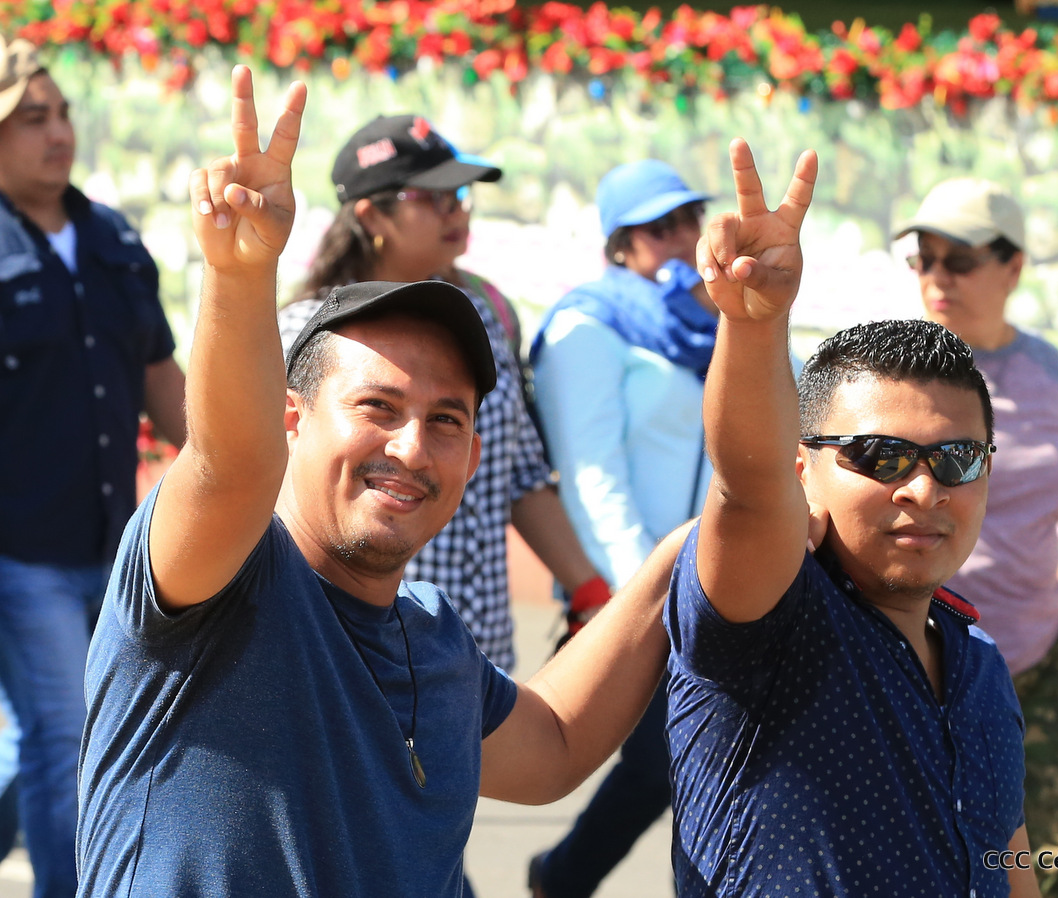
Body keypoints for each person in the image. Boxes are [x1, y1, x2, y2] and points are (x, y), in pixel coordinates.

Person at [76, 66, 682, 896]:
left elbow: (556, 746)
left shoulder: (432, 637)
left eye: (446, 420)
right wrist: (241, 273)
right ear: (291, 418)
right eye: (378, 406)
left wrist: (682, 557)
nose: (412, 447)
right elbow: (229, 466)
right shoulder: (222, 579)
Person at [665, 139, 1040, 897]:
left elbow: (1009, 858)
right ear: (802, 471)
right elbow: (746, 486)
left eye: (958, 458)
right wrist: (756, 323)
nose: (924, 490)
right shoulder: (769, 620)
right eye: (881, 457)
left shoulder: (979, 662)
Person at [893, 177, 1058, 898]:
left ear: (1013, 267)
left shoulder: (1045, 367)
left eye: (959, 260)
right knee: (954, 864)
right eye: (923, 259)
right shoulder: (903, 375)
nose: (937, 277)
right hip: (931, 667)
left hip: (1039, 659)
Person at [278, 114, 606, 673]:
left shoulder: (481, 319)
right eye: (433, 197)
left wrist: (590, 592)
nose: (457, 211)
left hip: (479, 655)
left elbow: (520, 475)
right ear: (371, 215)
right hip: (345, 653)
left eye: (460, 195)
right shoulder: (306, 331)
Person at [0, 34, 185, 898]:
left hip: (117, 551)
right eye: (31, 117)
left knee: (76, 739)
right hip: (20, 554)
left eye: (63, 113)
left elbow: (162, 381)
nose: (57, 132)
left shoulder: (112, 235)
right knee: (62, 738)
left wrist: (251, 471)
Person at [526, 159, 716, 898]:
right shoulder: (587, 324)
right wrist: (651, 596)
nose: (681, 235)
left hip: (716, 581)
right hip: (636, 589)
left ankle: (561, 876)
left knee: (679, 760)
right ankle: (563, 876)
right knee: (677, 760)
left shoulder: (709, 323)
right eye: (658, 226)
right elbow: (591, 476)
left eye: (689, 218)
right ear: (619, 242)